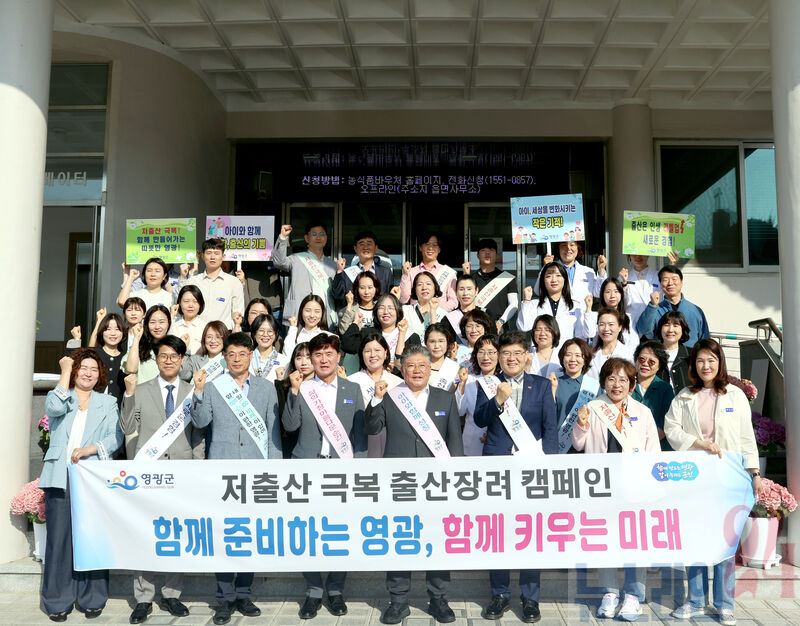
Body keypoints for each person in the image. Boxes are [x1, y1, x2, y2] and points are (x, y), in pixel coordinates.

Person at [665, 339, 761, 626]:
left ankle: (724, 604)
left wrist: (755, 473)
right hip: (694, 477)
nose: (705, 366)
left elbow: (746, 437)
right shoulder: (684, 396)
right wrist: (699, 443)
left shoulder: (735, 395)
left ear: (720, 363)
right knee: (695, 538)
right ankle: (695, 600)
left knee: (725, 541)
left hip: (727, 477)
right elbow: (671, 428)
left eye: (711, 360)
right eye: (700, 361)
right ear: (693, 365)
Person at [365, 344, 463, 625]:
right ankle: (398, 601)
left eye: (422, 365)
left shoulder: (446, 399)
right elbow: (372, 427)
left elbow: (455, 443)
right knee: (401, 540)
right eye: (411, 366)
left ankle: (439, 599)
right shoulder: (391, 396)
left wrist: (455, 480)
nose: (417, 371)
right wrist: (375, 399)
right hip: (401, 483)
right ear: (402, 369)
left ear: (430, 369)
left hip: (436, 484)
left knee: (437, 541)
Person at [190, 332, 282, 626]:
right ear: (225, 357)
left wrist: (275, 470)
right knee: (225, 535)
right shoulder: (214, 387)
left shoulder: (267, 388)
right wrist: (198, 392)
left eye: (243, 353)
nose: (237, 359)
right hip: (223, 473)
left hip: (256, 474)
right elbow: (201, 422)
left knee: (248, 535)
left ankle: (244, 593)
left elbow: (273, 431)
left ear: (251, 355)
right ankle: (224, 598)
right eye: (231, 354)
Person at [473, 330, 558, 623]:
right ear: (499, 357)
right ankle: (500, 594)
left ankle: (530, 597)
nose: (511, 358)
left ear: (527, 357)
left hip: (531, 469)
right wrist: (497, 399)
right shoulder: (489, 384)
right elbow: (479, 419)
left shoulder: (541, 385)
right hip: (497, 467)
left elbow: (550, 429)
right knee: (498, 531)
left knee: (529, 532)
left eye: (517, 353)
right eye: (506, 353)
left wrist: (550, 468)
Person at [283, 334, 367, 619]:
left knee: (340, 531)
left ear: (338, 357)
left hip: (341, 470)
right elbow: (290, 425)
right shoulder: (304, 388)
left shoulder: (352, 388)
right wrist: (294, 393)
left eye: (329, 353)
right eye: (317, 354)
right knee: (309, 532)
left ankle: (335, 589)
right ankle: (313, 590)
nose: (323, 359)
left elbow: (360, 434)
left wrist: (359, 470)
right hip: (308, 468)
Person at [121, 336, 203, 624]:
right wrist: (128, 395)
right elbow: (127, 427)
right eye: (163, 355)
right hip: (149, 473)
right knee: (145, 533)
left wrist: (197, 468)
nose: (168, 360)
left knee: (177, 534)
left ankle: (172, 593)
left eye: (174, 356)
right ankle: (143, 598)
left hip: (182, 472)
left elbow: (198, 434)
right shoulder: (141, 390)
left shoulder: (192, 391)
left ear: (182, 360)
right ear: (155, 359)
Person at [572, 358, 660, 622]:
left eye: (623, 379)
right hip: (602, 487)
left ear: (632, 385)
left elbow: (653, 453)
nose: (617, 384)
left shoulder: (643, 412)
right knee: (607, 540)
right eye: (611, 379)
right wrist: (581, 423)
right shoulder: (593, 407)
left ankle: (633, 596)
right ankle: (609, 593)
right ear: (603, 382)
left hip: (634, 488)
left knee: (635, 541)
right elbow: (578, 444)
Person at [40, 350, 123, 622]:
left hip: (92, 477)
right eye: (83, 368)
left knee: (93, 538)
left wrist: (90, 449)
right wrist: (64, 371)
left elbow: (115, 438)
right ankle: (57, 600)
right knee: (59, 540)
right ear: (75, 371)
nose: (88, 373)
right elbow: (53, 409)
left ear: (100, 375)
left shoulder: (107, 402)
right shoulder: (61, 396)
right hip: (59, 476)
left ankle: (92, 597)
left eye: (94, 369)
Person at [347, 332, 403, 458]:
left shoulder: (399, 383)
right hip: (362, 443)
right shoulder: (351, 382)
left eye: (377, 350)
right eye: (367, 351)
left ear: (386, 353)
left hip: (392, 444)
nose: (373, 355)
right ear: (361, 354)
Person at [272, 222, 337, 328]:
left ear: (326, 238)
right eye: (314, 234)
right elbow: (279, 262)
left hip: (325, 317)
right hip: (300, 316)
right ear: (306, 238)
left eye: (322, 234)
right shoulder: (296, 259)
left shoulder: (333, 265)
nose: (318, 237)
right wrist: (282, 238)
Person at [635, 264, 710, 347]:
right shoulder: (656, 309)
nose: (670, 283)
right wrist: (652, 306)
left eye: (674, 279)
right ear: (660, 284)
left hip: (689, 354)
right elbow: (643, 329)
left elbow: (705, 339)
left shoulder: (695, 310)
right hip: (663, 354)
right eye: (665, 280)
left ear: (681, 282)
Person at [340, 293, 420, 366]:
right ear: (376, 311)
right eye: (381, 308)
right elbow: (348, 345)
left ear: (398, 311)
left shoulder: (411, 337)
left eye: (390, 308)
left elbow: (415, 363)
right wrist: (356, 322)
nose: (386, 312)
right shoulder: (368, 333)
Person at [185, 238, 245, 330]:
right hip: (197, 333)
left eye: (216, 253)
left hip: (223, 334)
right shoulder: (192, 282)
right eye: (209, 253)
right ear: (203, 256)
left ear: (223, 257)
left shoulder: (234, 282)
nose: (212, 257)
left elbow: (238, 313)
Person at [517, 261, 579, 349]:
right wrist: (527, 300)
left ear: (565, 279)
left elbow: (579, 335)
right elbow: (523, 326)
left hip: (566, 353)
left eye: (558, 275)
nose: (554, 280)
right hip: (540, 353)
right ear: (543, 281)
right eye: (549, 276)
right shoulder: (534, 304)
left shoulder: (575, 306)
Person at [455, 335, 499, 456]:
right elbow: (460, 411)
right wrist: (462, 384)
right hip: (471, 445)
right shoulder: (469, 380)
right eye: (481, 352)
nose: (485, 357)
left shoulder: (504, 381)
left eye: (491, 352)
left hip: (497, 444)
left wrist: (492, 435)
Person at [553, 338, 597, 454]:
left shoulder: (594, 386)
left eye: (578, 355)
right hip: (558, 447)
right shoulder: (553, 384)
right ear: (562, 358)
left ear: (585, 359)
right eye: (568, 355)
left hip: (586, 447)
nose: (573, 359)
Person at [331, 230, 393, 309]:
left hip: (378, 315)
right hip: (354, 315)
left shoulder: (386, 272)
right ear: (355, 248)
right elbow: (338, 296)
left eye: (369, 244)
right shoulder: (347, 273)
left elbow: (390, 297)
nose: (365, 247)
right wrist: (339, 271)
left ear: (375, 248)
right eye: (361, 244)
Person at [632, 340, 675, 451]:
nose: (645, 364)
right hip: (628, 448)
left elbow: (665, 427)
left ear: (659, 365)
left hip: (657, 448)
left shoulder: (665, 389)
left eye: (651, 362)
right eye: (642, 359)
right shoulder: (626, 385)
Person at [399, 232, 458, 311]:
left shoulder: (448, 272)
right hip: (417, 316)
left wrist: (434, 311)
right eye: (427, 244)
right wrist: (405, 275)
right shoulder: (411, 272)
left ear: (439, 249)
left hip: (440, 316)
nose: (430, 248)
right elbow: (403, 299)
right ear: (420, 247)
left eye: (435, 245)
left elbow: (453, 301)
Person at [465, 238, 519, 325]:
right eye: (483, 250)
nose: (487, 253)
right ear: (478, 255)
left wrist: (501, 321)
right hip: (476, 325)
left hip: (499, 325)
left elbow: (514, 304)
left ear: (496, 255)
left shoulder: (507, 278)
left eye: (491, 250)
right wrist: (465, 277)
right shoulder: (471, 278)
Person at [277, 342, 314, 458]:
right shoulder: (284, 387)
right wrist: (294, 389)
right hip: (291, 447)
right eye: (298, 358)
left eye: (308, 357)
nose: (303, 362)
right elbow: (285, 422)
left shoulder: (323, 386)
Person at [84, 310, 128, 406]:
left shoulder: (126, 358)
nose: (113, 333)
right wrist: (99, 321)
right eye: (108, 329)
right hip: (93, 406)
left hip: (117, 409)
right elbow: (90, 349)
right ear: (102, 332)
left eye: (117, 329)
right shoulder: (95, 354)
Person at [579, 277, 638, 346]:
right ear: (602, 295)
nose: (612, 295)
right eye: (608, 292)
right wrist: (588, 308)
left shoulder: (628, 317)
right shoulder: (595, 316)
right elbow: (588, 334)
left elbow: (634, 342)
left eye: (616, 291)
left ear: (621, 294)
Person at [536, 241, 601, 302]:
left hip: (582, 310)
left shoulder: (588, 271)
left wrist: (602, 270)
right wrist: (545, 268)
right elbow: (538, 291)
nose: (568, 248)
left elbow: (598, 293)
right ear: (558, 249)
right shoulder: (550, 269)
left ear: (578, 247)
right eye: (564, 245)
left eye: (572, 245)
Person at [124, 305, 172, 384]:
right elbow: (131, 369)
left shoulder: (174, 346)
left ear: (168, 323)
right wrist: (136, 338)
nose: (157, 326)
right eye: (152, 322)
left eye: (161, 322)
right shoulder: (139, 345)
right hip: (143, 390)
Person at [587, 308, 635, 380]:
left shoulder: (629, 354)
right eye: (602, 324)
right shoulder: (591, 355)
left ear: (620, 327)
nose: (606, 329)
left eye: (611, 324)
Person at [401, 271, 450, 338]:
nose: (424, 287)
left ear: (435, 288)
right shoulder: (405, 310)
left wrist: (433, 312)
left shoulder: (443, 314)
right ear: (414, 289)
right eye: (420, 284)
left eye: (428, 284)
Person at [656, 310, 691, 393]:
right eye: (666, 325)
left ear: (683, 329)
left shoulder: (691, 355)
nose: (670, 330)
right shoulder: (652, 354)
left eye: (676, 325)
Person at [249, 313, 288, 382]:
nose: (265, 335)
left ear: (276, 334)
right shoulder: (246, 359)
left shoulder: (285, 361)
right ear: (254, 334)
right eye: (261, 330)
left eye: (270, 331)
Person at [169, 285, 206, 355]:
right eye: (186, 301)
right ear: (179, 303)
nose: (190, 305)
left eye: (195, 301)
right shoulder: (173, 324)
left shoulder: (205, 327)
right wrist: (171, 317)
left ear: (200, 304)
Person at [444, 274, 480, 342]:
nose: (465, 293)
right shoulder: (449, 318)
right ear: (456, 292)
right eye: (461, 289)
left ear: (476, 291)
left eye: (469, 289)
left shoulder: (486, 313)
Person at [424, 322, 459, 390]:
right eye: (432, 341)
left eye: (441, 341)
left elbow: (457, 384)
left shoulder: (454, 367)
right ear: (426, 343)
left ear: (447, 343)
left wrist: (458, 380)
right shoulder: (420, 367)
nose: (437, 346)